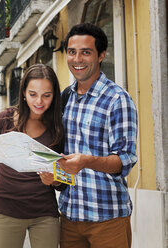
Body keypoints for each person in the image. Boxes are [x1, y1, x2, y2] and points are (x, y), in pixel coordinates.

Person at [0, 64, 65, 248]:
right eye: (33, 94)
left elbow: (63, 179)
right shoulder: (5, 119)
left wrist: (53, 180)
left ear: (54, 95)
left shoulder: (58, 126)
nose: (39, 102)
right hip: (7, 210)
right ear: (24, 93)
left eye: (47, 95)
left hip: (45, 213)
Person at [57, 23, 138, 248]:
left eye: (86, 52)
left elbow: (125, 160)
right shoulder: (65, 98)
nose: (77, 59)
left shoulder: (117, 99)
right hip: (70, 216)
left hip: (108, 217)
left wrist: (86, 162)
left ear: (101, 55)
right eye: (72, 52)